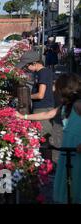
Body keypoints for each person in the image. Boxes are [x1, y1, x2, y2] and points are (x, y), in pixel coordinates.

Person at [16, 73, 81, 203]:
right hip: (69, 148)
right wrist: (23, 117)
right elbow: (47, 114)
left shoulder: (78, 104)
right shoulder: (66, 105)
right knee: (70, 184)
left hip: (78, 148)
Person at [16, 51, 57, 157]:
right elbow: (52, 88)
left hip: (42, 109)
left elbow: (40, 95)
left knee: (43, 139)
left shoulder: (42, 73)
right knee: (42, 139)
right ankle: (45, 163)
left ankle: (46, 166)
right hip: (45, 107)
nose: (26, 68)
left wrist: (26, 96)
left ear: (34, 63)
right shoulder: (44, 72)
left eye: (27, 66)